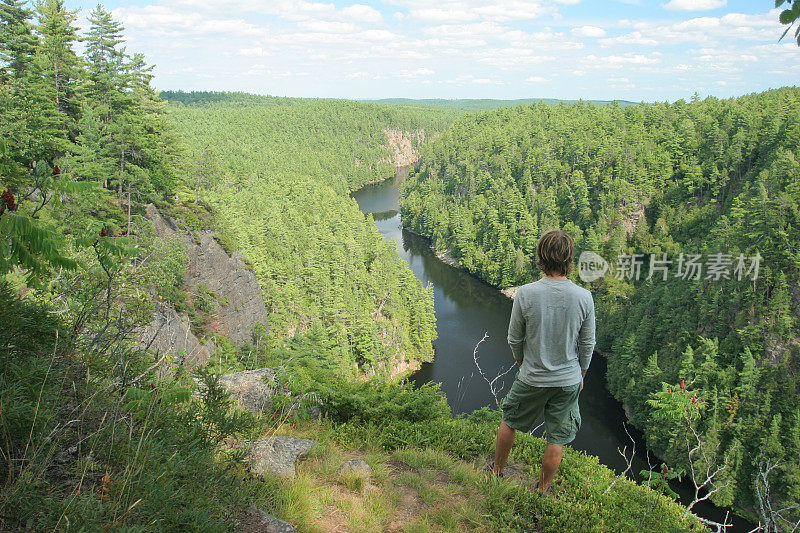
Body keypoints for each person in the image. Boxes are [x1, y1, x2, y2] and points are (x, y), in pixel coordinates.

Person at [491, 229, 596, 496]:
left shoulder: (526, 294)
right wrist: (582, 373)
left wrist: (521, 361)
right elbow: (587, 343)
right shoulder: (584, 298)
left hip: (532, 376)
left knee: (509, 420)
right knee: (557, 438)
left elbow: (514, 338)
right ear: (569, 259)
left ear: (541, 256)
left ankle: (497, 472)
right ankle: (543, 488)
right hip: (568, 380)